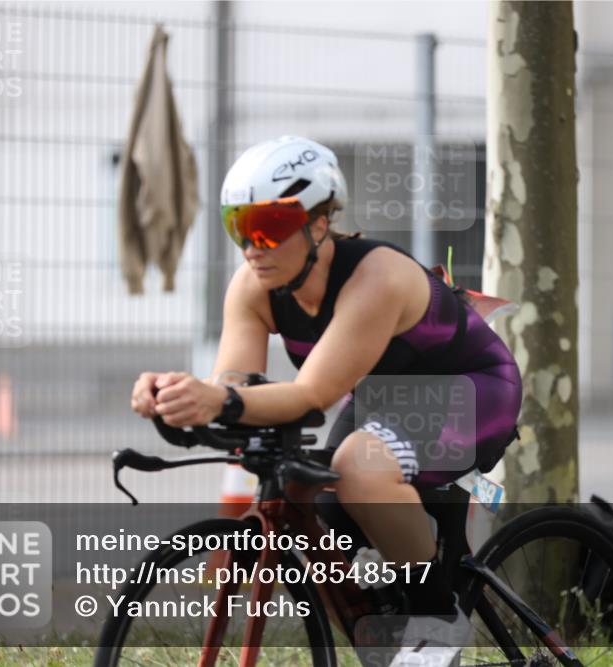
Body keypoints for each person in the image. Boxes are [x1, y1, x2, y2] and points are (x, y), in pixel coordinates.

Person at [131, 136, 522, 667]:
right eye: (237, 226)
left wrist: (217, 400)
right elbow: (237, 387)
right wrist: (177, 398)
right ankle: (388, 623)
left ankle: (437, 617)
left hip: (472, 388)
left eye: (268, 227)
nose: (251, 247)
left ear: (318, 225)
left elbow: (311, 395)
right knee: (317, 505)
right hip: (381, 400)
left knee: (359, 470)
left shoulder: (376, 277)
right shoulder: (252, 287)